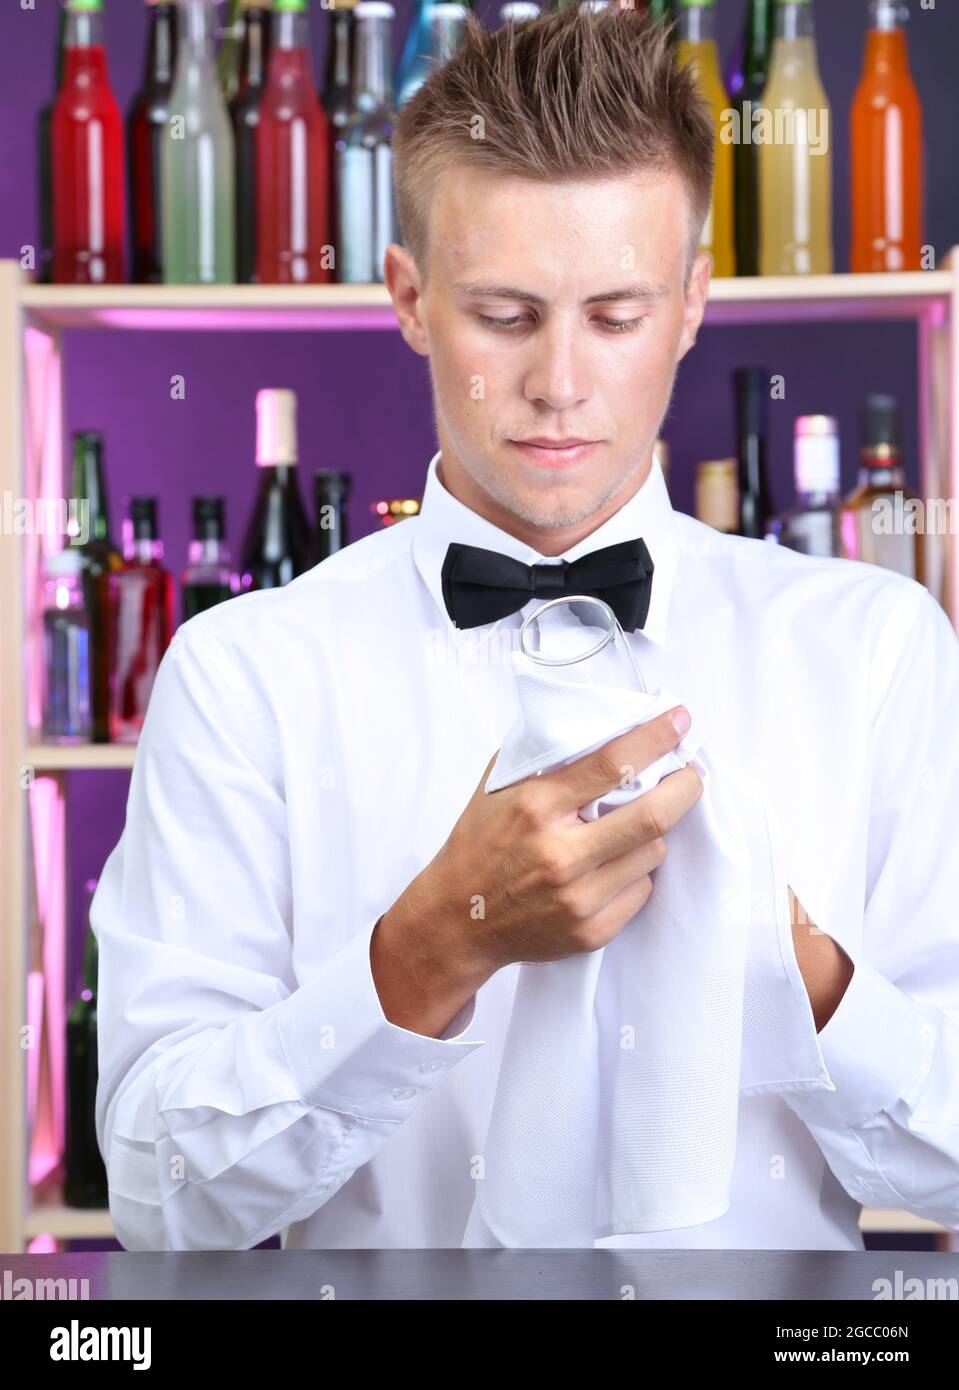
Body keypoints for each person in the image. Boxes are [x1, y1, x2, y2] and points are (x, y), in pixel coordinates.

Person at [92, 6, 959, 1252]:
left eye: (614, 315)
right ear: (407, 299)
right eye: (504, 314)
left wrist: (797, 968)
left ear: (692, 303)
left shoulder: (875, 651)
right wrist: (433, 947)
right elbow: (157, 1189)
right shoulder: (245, 675)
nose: (560, 381)